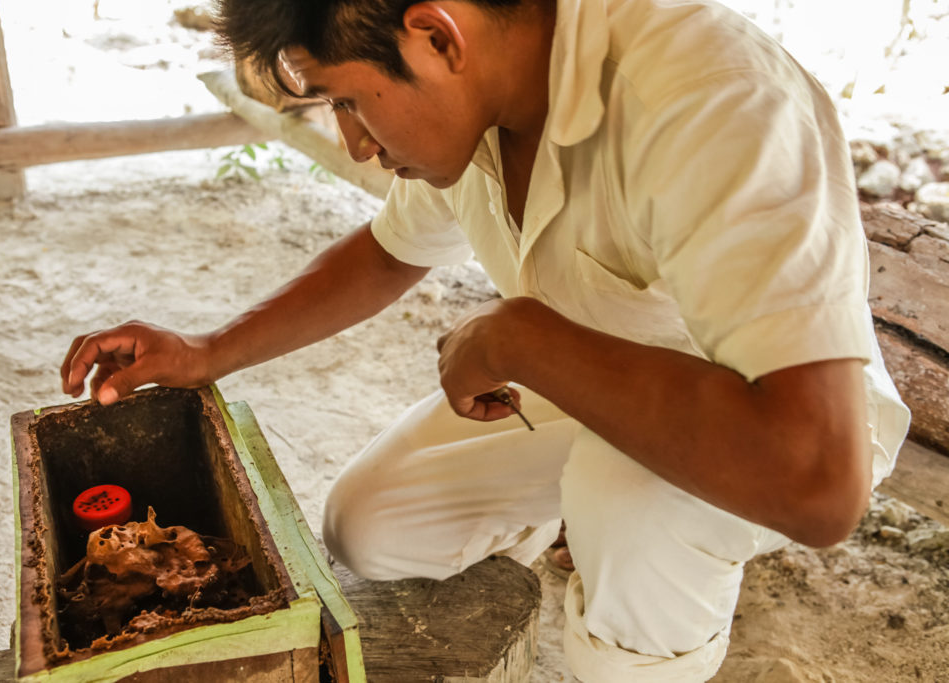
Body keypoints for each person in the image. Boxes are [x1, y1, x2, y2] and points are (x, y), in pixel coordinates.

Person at [60, 0, 911, 679]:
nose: (355, 141)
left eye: (349, 101)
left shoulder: (712, 95)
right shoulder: (481, 96)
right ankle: (580, 512)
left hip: (765, 422)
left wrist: (520, 338)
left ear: (436, 35)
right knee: (370, 525)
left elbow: (816, 480)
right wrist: (209, 349)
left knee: (629, 502)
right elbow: (387, 253)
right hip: (587, 385)